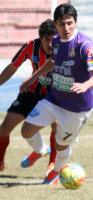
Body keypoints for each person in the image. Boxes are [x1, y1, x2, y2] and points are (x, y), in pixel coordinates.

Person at [19, 3, 93, 185]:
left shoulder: (84, 45)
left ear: (75, 22)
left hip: (77, 109)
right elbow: (53, 62)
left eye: (70, 23)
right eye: (62, 24)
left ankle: (56, 171)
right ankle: (41, 150)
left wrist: (85, 85)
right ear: (55, 24)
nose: (66, 28)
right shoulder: (56, 41)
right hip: (54, 100)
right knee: (26, 131)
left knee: (61, 144)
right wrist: (32, 78)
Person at [0, 19, 58, 174]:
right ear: (41, 39)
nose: (50, 44)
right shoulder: (30, 46)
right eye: (46, 39)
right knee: (4, 128)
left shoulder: (64, 49)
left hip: (54, 94)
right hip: (32, 92)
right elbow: (12, 67)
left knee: (57, 125)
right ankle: (1, 161)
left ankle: (52, 164)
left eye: (54, 39)